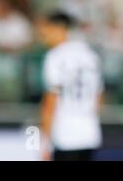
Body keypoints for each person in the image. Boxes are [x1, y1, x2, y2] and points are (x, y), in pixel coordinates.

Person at [38, 11, 103, 161]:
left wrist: (45, 142)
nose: (43, 35)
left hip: (65, 135)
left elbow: (50, 102)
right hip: (90, 133)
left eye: (46, 30)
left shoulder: (55, 57)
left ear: (59, 28)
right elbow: (98, 99)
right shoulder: (91, 55)